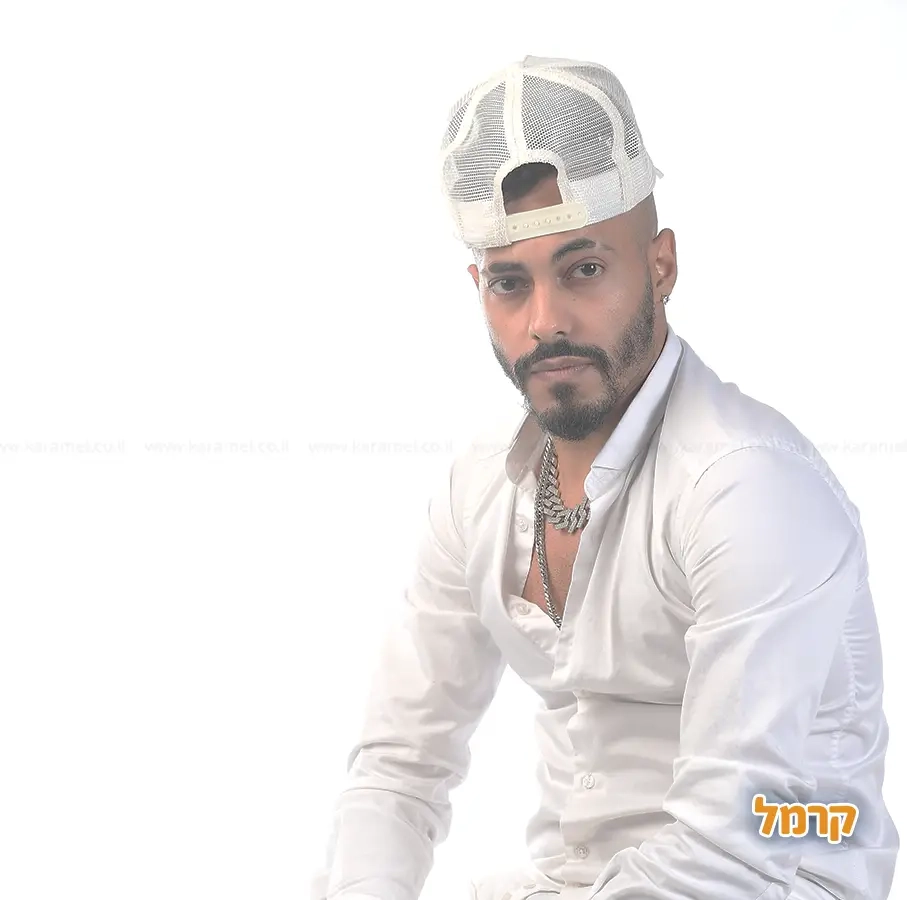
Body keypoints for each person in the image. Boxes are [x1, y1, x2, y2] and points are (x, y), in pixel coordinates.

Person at [310, 55, 899, 900]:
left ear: (660, 265)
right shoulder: (480, 486)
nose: (544, 321)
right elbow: (397, 767)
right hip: (574, 881)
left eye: (582, 269)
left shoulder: (747, 490)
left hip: (780, 871)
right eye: (510, 283)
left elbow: (730, 849)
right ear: (479, 289)